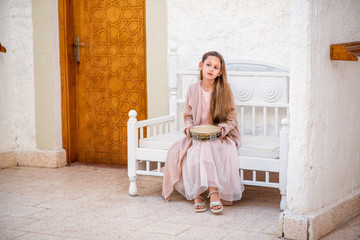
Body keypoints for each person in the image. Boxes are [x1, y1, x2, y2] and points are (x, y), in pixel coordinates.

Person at [162, 51, 244, 214]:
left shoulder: (224, 90)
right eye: (208, 65)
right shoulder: (192, 89)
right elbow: (188, 116)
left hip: (219, 135)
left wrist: (220, 130)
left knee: (206, 146)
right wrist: (189, 128)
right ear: (201, 66)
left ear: (220, 72)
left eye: (215, 67)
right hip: (198, 134)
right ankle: (200, 193)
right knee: (197, 147)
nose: (211, 69)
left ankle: (209, 193)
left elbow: (231, 118)